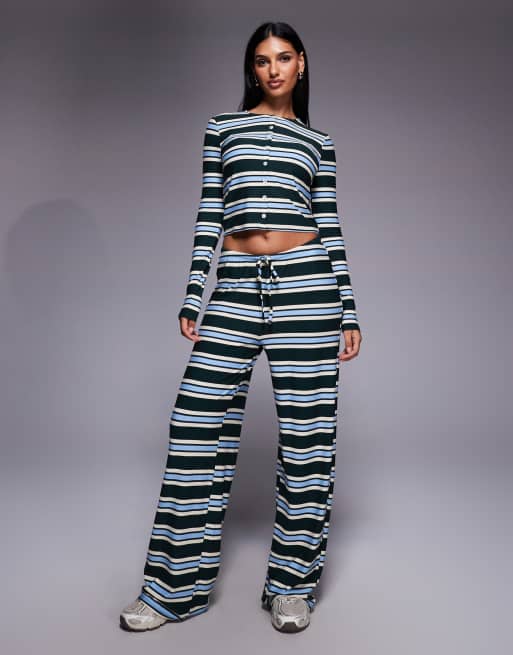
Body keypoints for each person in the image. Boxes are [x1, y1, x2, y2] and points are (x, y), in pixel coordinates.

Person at [120, 20, 363, 634]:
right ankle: (172, 588)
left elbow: (330, 226)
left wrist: (349, 309)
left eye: (283, 58)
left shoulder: (319, 142)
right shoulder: (223, 128)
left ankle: (292, 587)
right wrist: (193, 292)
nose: (273, 69)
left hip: (307, 288)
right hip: (234, 288)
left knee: (308, 441)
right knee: (194, 427)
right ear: (251, 69)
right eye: (261, 60)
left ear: (301, 64)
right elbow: (210, 212)